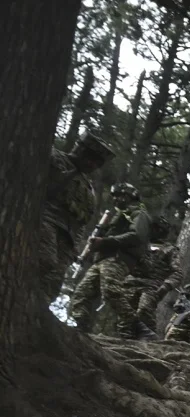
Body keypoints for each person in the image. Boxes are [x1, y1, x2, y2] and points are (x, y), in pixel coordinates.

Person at [40, 131, 115, 308]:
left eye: (97, 163)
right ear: (80, 150)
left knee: (53, 284)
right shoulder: (54, 158)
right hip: (45, 220)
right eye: (90, 158)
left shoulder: (88, 189)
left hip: (67, 239)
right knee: (45, 260)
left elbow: (83, 221)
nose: (92, 165)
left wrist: (74, 249)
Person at [71, 181, 152, 337]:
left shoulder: (138, 213)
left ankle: (138, 327)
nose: (116, 199)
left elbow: (137, 236)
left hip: (118, 258)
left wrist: (106, 241)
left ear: (130, 196)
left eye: (120, 196)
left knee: (110, 291)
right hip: (102, 259)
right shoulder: (117, 215)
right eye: (114, 196)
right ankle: (81, 329)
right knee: (82, 293)